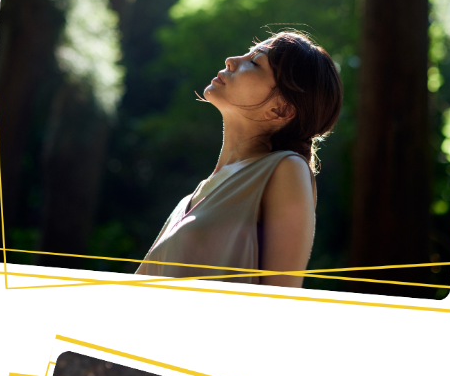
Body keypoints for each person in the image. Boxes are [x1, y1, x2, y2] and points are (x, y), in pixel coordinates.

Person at [134, 30, 343, 287]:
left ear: (281, 109)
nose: (231, 60)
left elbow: (280, 297)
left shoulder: (286, 169)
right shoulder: (189, 200)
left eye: (255, 62)